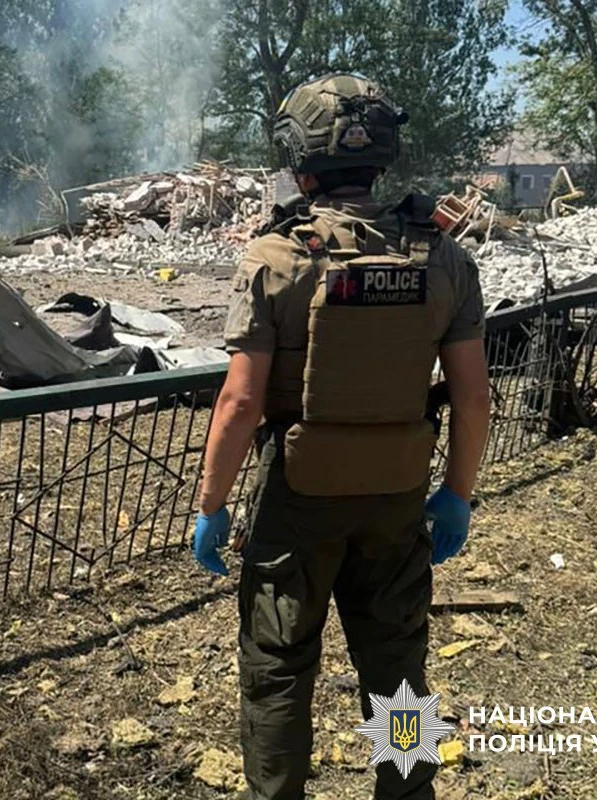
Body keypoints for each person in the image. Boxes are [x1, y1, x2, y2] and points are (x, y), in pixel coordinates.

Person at [191, 73, 491, 800]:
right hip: (397, 493)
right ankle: (407, 791)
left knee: (278, 667)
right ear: (382, 157)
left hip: (299, 497)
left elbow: (240, 402)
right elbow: (473, 395)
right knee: (398, 670)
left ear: (301, 164)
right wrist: (457, 494)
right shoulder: (444, 257)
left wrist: (212, 504)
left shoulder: (276, 259)